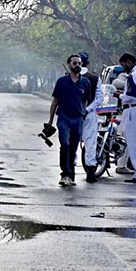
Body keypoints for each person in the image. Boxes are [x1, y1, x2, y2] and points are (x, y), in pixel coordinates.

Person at [47, 54, 90, 187]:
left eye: (79, 63)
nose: (77, 65)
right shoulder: (62, 82)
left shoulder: (85, 82)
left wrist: (83, 113)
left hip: (78, 118)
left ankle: (71, 176)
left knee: (73, 147)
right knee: (64, 144)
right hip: (64, 117)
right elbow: (55, 101)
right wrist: (50, 121)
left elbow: (86, 101)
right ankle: (64, 174)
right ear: (69, 65)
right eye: (74, 63)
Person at [77, 52, 104, 182]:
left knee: (72, 142)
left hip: (73, 114)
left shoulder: (69, 76)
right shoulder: (94, 77)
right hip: (89, 114)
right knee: (90, 142)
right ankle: (90, 172)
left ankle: (69, 172)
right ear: (88, 63)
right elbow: (99, 98)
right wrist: (88, 109)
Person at [114, 52, 136, 184]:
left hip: (133, 110)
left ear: (128, 62)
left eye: (123, 65)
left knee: (133, 142)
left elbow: (131, 96)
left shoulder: (133, 75)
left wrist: (120, 96)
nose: (124, 68)